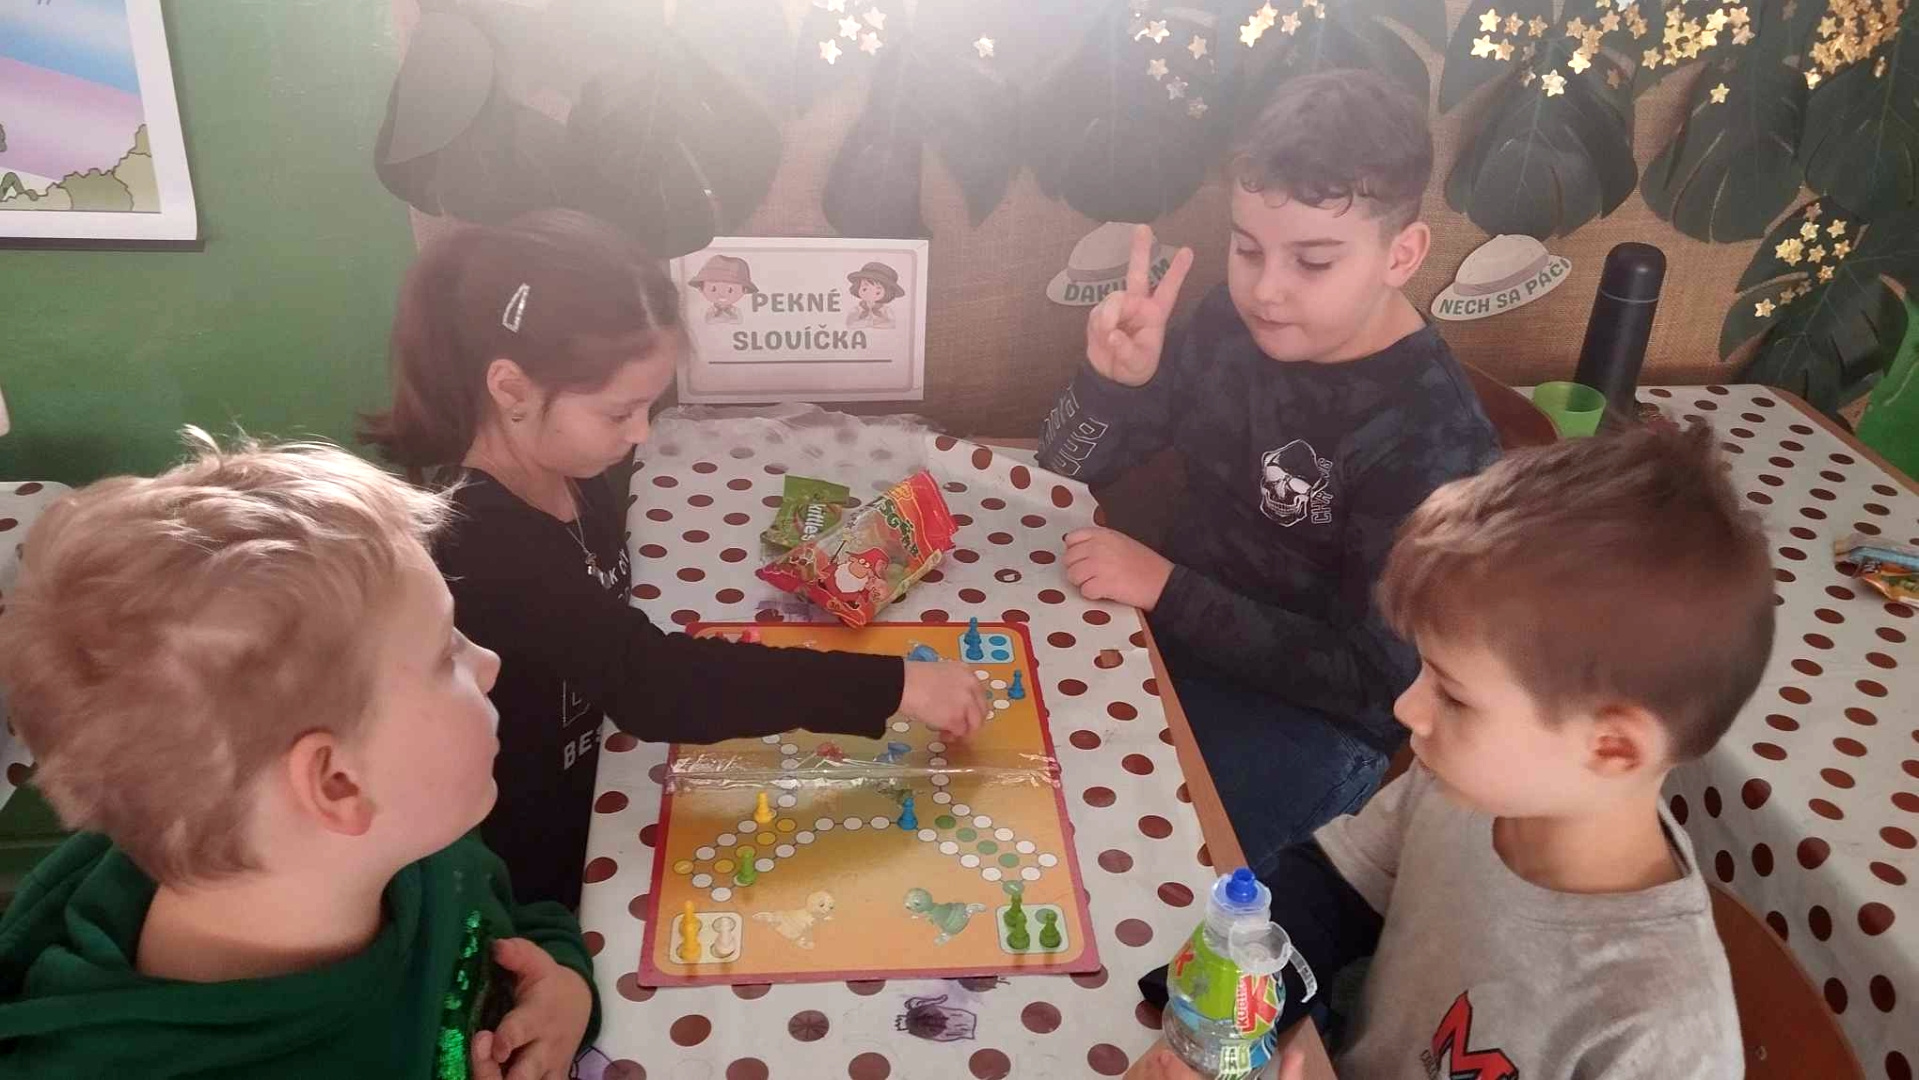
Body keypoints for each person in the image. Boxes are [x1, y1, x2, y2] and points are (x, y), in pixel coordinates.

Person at [363, 210, 988, 909]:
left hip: (600, 767)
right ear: (511, 390)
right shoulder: (479, 540)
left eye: (648, 407)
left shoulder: (557, 462)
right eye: (618, 412)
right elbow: (654, 684)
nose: (640, 435)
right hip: (531, 851)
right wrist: (893, 686)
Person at [1133, 424, 1769, 1080]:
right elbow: (1329, 893)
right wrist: (1217, 1025)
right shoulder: (1462, 790)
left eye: (1454, 696)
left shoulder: (1661, 1035)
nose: (1407, 709)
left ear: (1611, 748)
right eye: (1424, 669)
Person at [0, 434, 596, 1079]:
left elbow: (506, 919)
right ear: (337, 782)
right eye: (445, 654)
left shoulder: (406, 835)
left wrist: (563, 986)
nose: (489, 663)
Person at [1036, 70, 1500, 869]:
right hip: (1164, 638)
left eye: (1312, 262)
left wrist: (1166, 587)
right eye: (1246, 249)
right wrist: (1113, 384)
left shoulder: (1433, 438)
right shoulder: (1230, 320)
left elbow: (1372, 683)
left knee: (1118, 869)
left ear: (1401, 254)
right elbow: (1061, 468)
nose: (1265, 291)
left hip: (1309, 724)